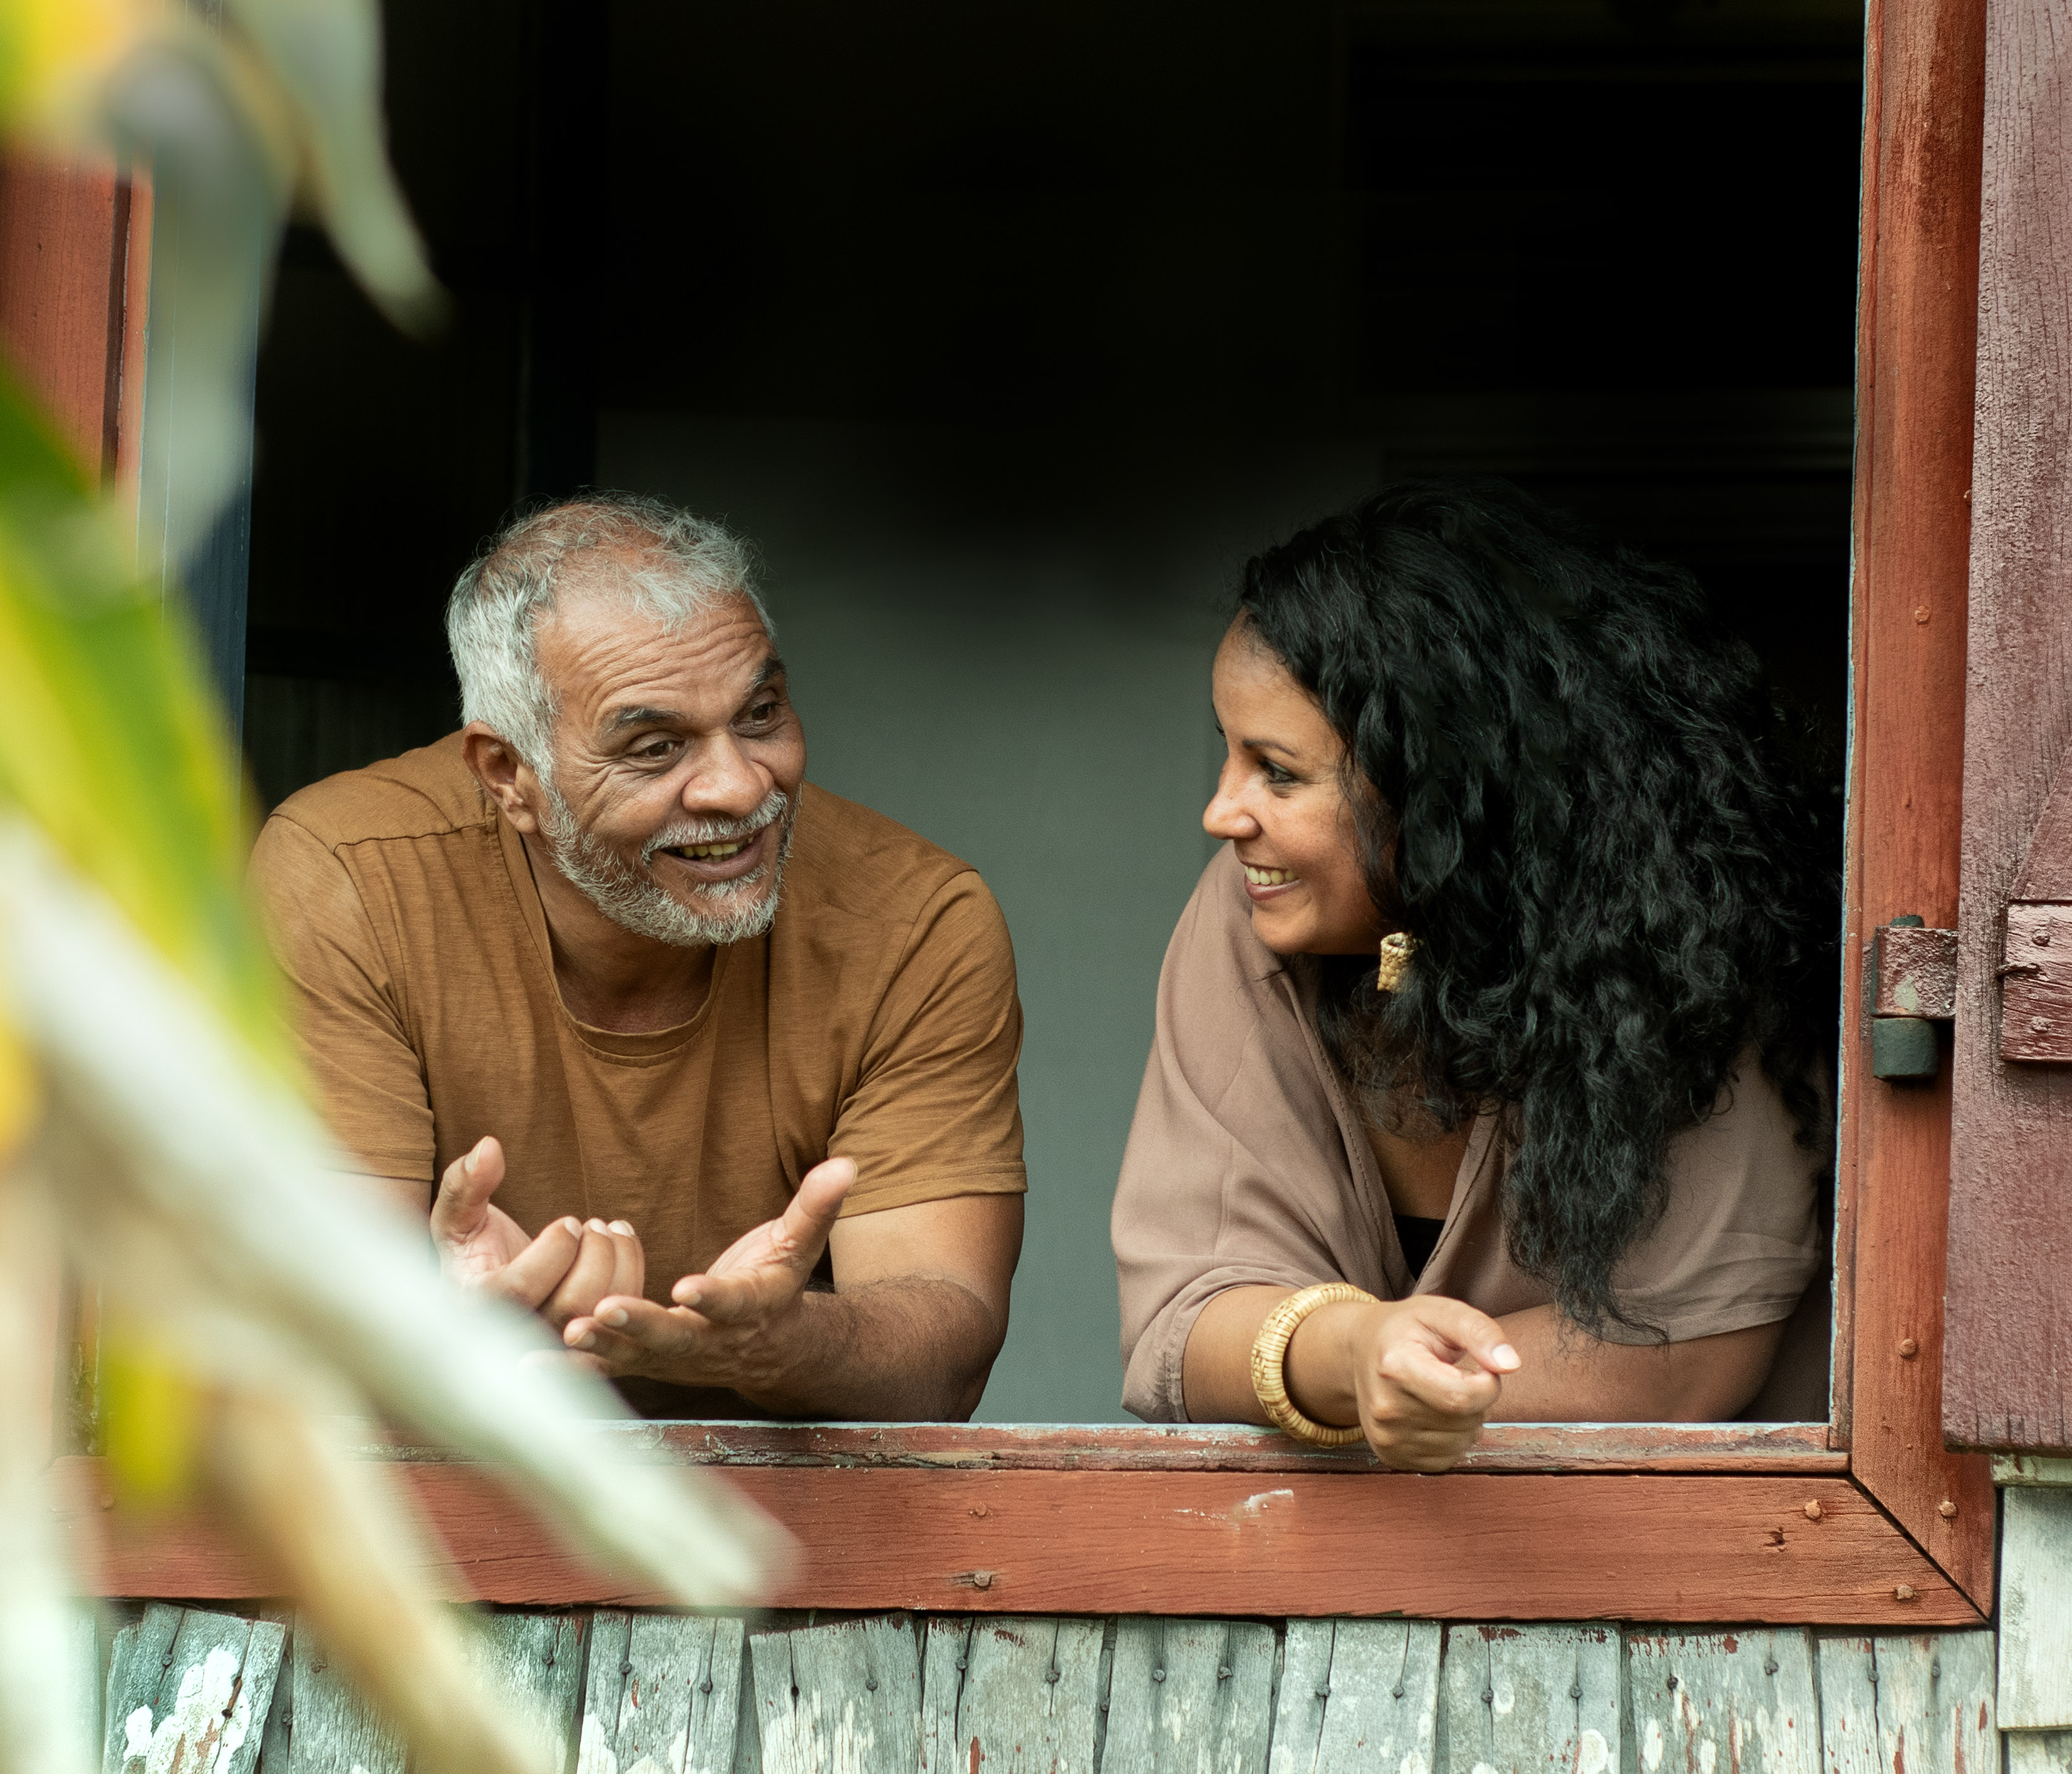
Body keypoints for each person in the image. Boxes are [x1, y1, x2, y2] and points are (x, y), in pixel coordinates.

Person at [251, 493, 1025, 1418]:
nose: (741, 787)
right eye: (655, 747)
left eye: (761, 714)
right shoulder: (348, 880)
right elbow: (306, 1329)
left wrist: (781, 1345)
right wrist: (439, 1336)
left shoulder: (914, 922)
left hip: (785, 1532)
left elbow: (948, 1345)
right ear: (509, 776)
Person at [1112, 480, 1834, 1470]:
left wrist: (1412, 1379)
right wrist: (1352, 1352)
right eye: (1228, 755)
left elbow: (1684, 1355)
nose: (1223, 812)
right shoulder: (1249, 913)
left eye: (1276, 770)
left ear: (1443, 787)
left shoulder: (1688, 945)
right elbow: (1183, 1319)